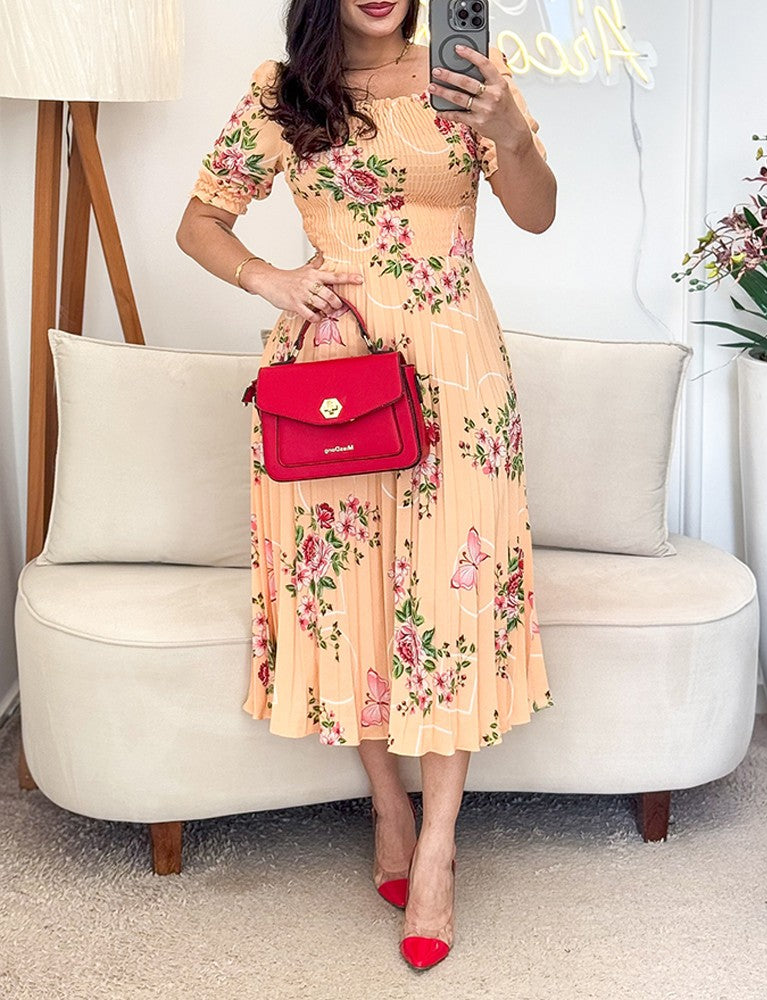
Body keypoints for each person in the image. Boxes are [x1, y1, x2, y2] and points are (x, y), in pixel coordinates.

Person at [176, 0, 556, 971]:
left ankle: (437, 848)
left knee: (450, 600)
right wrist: (270, 279)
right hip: (332, 375)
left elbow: (536, 212)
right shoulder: (284, 92)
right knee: (352, 598)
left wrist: (510, 131)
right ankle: (388, 805)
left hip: (457, 374)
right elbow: (200, 221)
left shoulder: (465, 79)